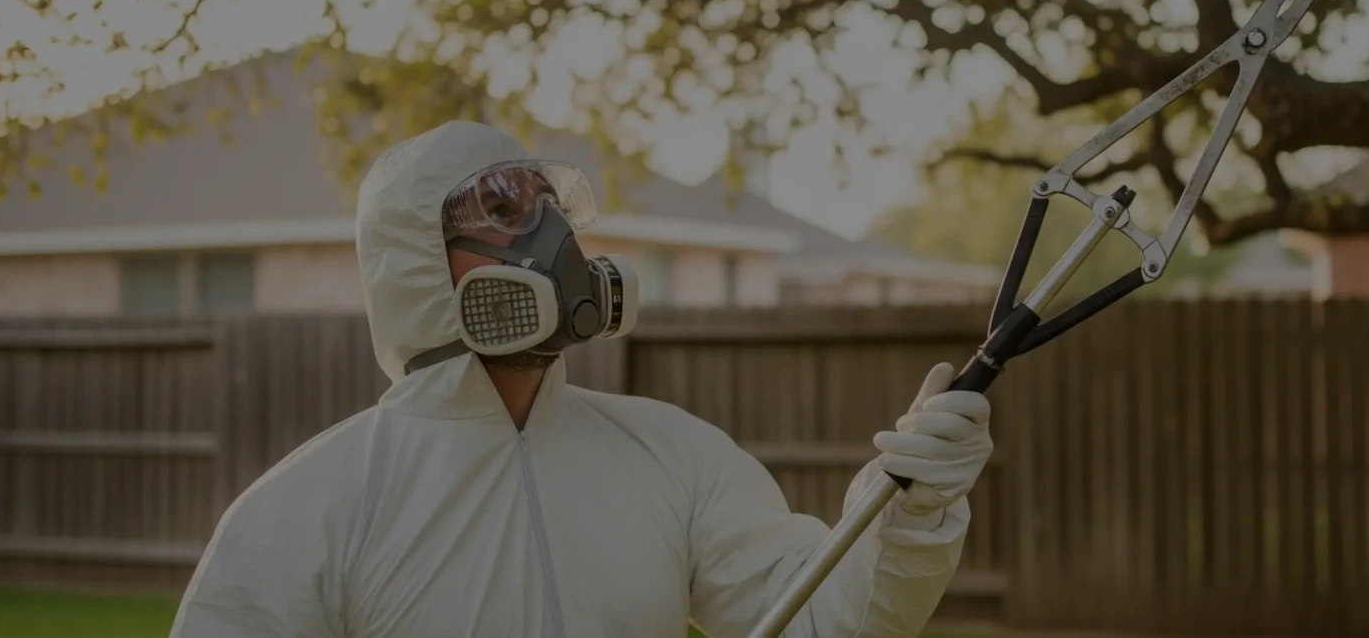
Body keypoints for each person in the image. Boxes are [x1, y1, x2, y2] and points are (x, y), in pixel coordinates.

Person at [170, 119, 992, 637]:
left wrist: (905, 513)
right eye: (501, 209)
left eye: (547, 205)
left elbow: (816, 619)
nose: (551, 234)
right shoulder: (303, 511)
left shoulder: (673, 454)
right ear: (418, 265)